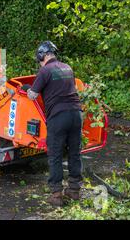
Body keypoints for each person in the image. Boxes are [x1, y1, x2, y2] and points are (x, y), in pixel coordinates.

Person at [25, 41, 83, 206]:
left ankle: (56, 195)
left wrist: (27, 89)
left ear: (42, 56)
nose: (40, 62)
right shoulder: (67, 68)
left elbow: (33, 96)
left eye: (40, 59)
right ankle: (74, 191)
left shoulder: (45, 70)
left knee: (55, 156)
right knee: (74, 153)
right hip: (76, 114)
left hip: (59, 117)